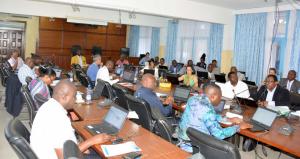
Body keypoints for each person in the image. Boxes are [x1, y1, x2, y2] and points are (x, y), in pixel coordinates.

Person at [30, 80, 111, 159]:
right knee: (104, 155)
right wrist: (91, 141)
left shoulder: (48, 105)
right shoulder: (58, 118)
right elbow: (64, 157)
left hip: (48, 153)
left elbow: (62, 140)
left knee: (94, 150)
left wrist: (80, 145)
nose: (75, 99)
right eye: (74, 96)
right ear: (64, 97)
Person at [176, 83, 252, 153]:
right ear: (213, 97)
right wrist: (238, 127)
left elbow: (203, 116)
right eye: (220, 97)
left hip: (183, 140)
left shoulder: (193, 99)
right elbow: (218, 134)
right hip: (195, 147)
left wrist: (227, 119)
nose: (221, 99)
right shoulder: (208, 109)